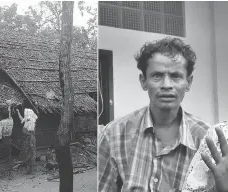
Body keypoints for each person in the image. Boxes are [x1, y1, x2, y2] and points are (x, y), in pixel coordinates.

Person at [97, 37, 228, 192]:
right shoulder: (114, 135)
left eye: (176, 76)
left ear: (189, 82)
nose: (166, 85)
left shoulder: (208, 141)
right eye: (157, 75)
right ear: (143, 81)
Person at [0, 100, 14, 180]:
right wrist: (9, 106)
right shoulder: (11, 121)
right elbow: (10, 114)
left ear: (1, 116)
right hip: (9, 142)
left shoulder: (0, 123)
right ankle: (10, 174)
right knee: (8, 158)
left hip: (2, 142)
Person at [16, 106, 38, 174]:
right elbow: (22, 119)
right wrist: (18, 112)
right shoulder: (29, 121)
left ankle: (29, 170)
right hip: (28, 139)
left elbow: (30, 132)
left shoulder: (31, 122)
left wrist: (30, 142)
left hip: (29, 139)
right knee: (28, 153)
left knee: (29, 153)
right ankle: (28, 169)